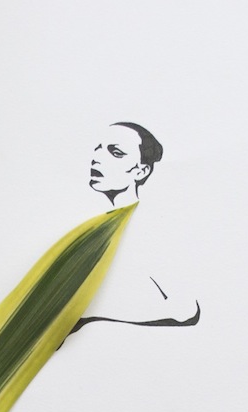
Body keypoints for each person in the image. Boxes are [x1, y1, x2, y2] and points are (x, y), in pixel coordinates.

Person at [65, 121, 200, 342]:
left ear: (141, 171)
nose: (97, 158)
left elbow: (186, 309)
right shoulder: (96, 225)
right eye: (98, 148)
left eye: (116, 153)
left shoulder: (147, 230)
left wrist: (91, 317)